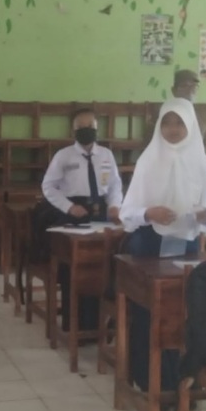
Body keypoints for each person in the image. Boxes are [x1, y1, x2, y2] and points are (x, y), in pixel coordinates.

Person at [119, 98, 206, 396]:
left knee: (186, 312)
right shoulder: (149, 160)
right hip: (149, 245)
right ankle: (150, 380)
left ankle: (182, 381)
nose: (173, 129)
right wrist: (149, 213)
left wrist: (204, 215)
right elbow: (127, 213)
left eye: (179, 123)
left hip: (186, 246)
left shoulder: (200, 162)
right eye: (167, 123)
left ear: (190, 126)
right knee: (149, 312)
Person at [41, 108, 124, 333]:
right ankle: (75, 324)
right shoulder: (64, 156)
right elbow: (48, 186)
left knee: (102, 263)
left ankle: (99, 323)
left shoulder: (106, 155)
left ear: (97, 129)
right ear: (73, 130)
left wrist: (115, 206)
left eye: (91, 127)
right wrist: (69, 207)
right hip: (73, 213)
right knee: (75, 266)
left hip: (100, 213)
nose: (87, 130)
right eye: (81, 127)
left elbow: (115, 185)